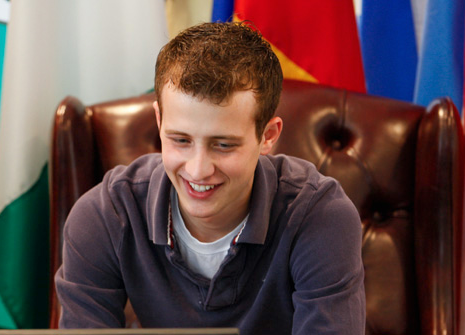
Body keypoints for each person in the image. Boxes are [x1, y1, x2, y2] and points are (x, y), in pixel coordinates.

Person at [54, 22, 364, 334]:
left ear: (268, 136)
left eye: (223, 145)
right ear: (159, 121)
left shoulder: (321, 216)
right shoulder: (105, 214)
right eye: (180, 140)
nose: (198, 169)